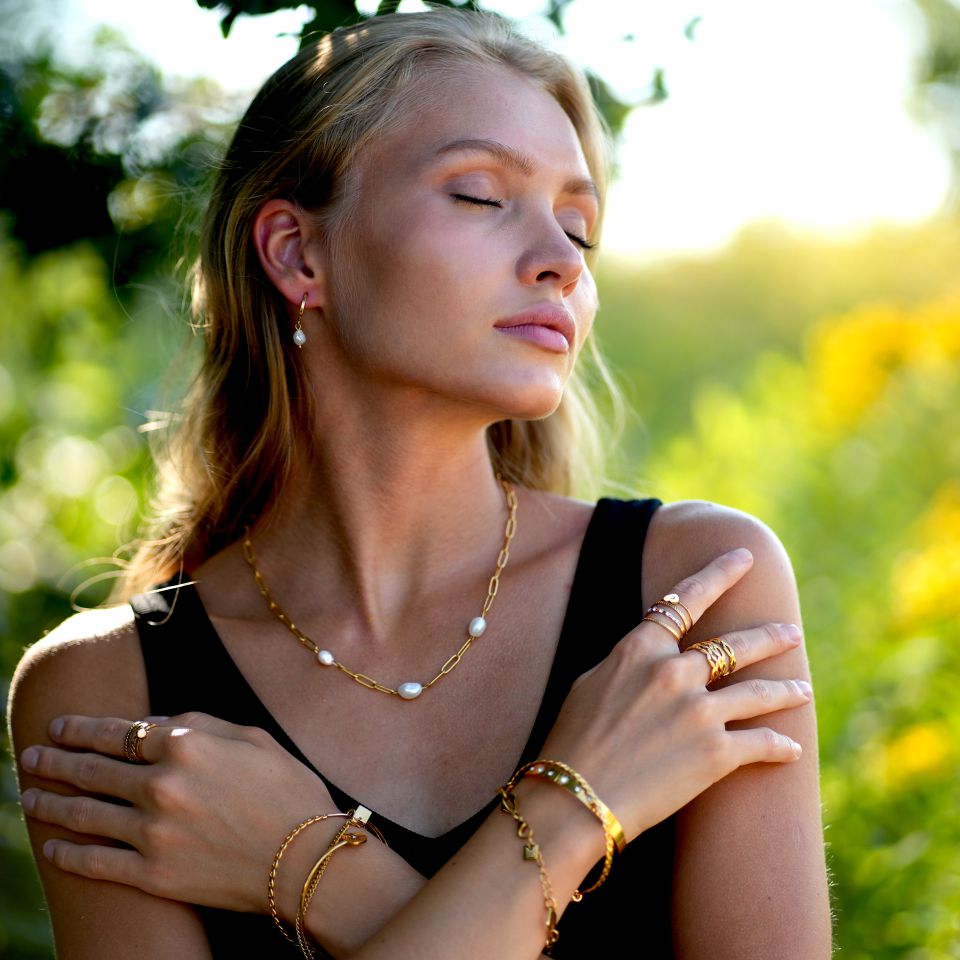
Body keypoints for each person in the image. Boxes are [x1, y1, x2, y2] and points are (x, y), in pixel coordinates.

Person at [7, 8, 831, 959]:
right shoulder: (111, 691)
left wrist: (311, 863)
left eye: (579, 225)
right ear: (296, 253)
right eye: (481, 196)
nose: (562, 261)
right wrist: (569, 814)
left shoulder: (699, 596)